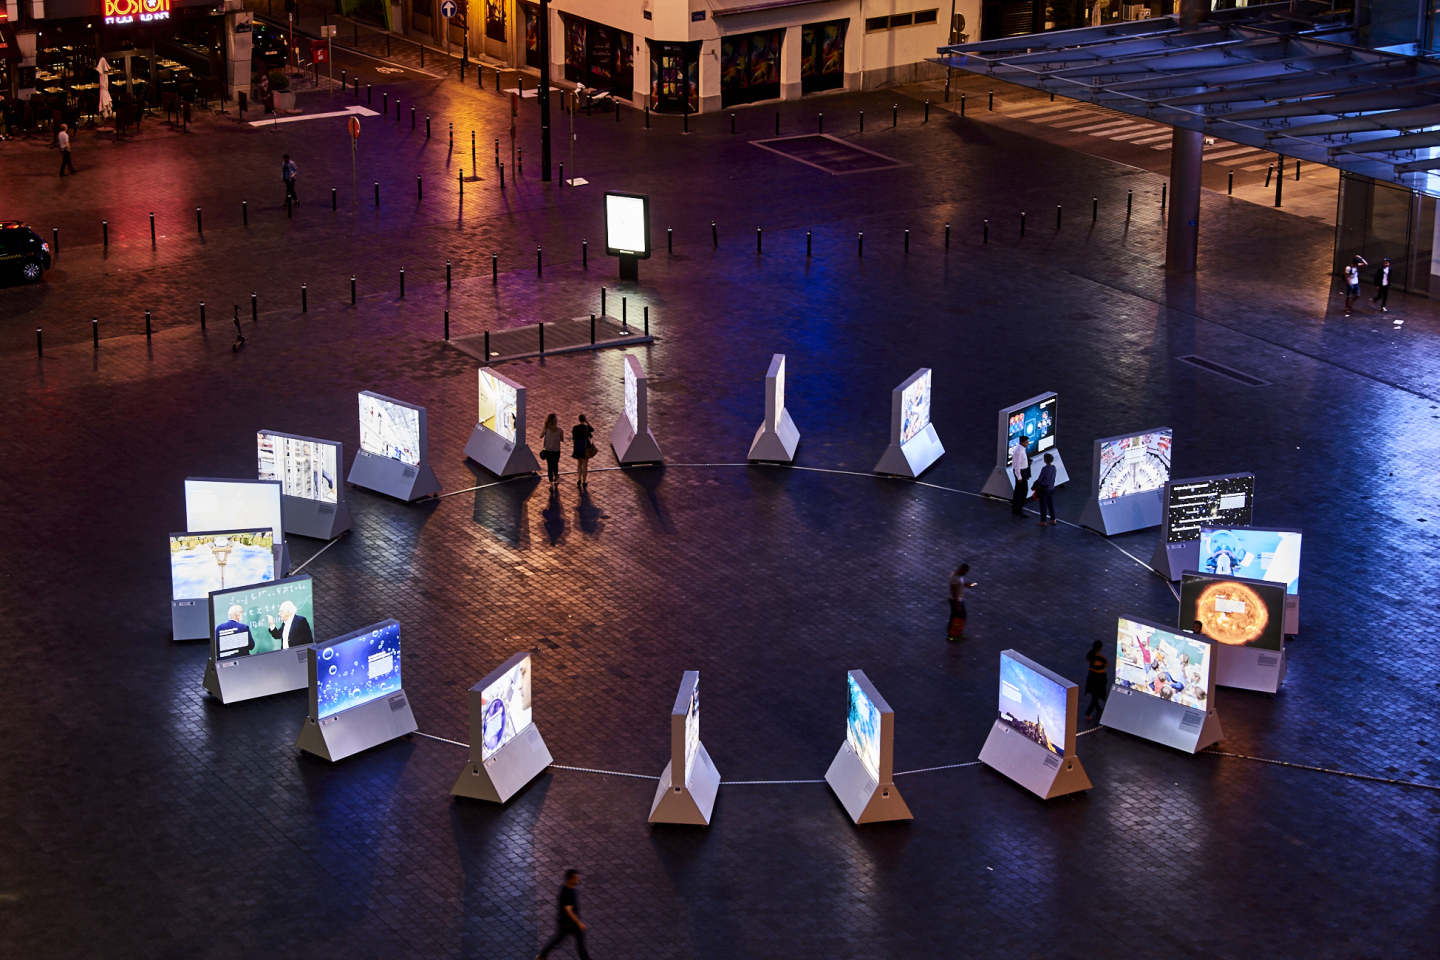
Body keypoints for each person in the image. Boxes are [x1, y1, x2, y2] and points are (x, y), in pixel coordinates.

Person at [537, 869, 589, 960]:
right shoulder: (568, 893)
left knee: (559, 939)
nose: (578, 879)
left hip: (565, 922)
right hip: (570, 923)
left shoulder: (565, 888)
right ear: (570, 879)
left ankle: (543, 955)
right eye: (576, 878)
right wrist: (579, 923)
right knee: (579, 943)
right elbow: (569, 910)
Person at [947, 563, 977, 641]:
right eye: (965, 571)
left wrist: (966, 585)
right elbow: (954, 591)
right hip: (956, 600)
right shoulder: (955, 577)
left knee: (961, 616)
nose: (965, 573)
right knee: (956, 618)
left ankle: (957, 633)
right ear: (962, 569)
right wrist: (957, 605)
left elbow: (958, 585)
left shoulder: (959, 576)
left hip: (959, 599)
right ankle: (952, 635)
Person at [1084, 641, 1109, 721]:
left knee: (1095, 694)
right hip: (1099, 678)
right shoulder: (1101, 658)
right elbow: (1107, 664)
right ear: (1100, 648)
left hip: (1092, 677)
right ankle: (1088, 713)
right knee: (1096, 696)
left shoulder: (1090, 655)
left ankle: (1098, 707)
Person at [1033, 452, 1057, 526]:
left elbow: (1040, 479)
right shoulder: (1054, 468)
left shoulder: (1044, 469)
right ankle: (1053, 519)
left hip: (1044, 489)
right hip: (1051, 488)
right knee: (1050, 504)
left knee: (1043, 504)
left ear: (1045, 460)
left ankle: (1043, 521)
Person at [1009, 435, 1030, 516]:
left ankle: (1015, 508)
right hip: (1021, 472)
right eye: (1026, 442)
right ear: (1022, 442)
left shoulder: (1021, 449)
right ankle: (1018, 508)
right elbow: (1017, 464)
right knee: (1023, 491)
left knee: (1018, 490)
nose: (1028, 443)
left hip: (1022, 471)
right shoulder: (1019, 451)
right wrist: (1019, 476)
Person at [540, 413, 564, 484]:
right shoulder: (560, 430)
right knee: (555, 463)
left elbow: (541, 436)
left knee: (549, 466)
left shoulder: (546, 429)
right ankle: (556, 475)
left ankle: (551, 484)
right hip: (556, 450)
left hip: (548, 450)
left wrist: (544, 427)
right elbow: (562, 439)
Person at [571, 414, 595, 489]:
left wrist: (574, 447)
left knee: (579, 463)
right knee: (585, 464)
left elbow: (574, 439)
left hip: (578, 446)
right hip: (585, 446)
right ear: (584, 420)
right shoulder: (586, 428)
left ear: (578, 419)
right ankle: (584, 481)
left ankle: (579, 479)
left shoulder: (575, 428)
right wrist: (587, 422)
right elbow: (592, 430)